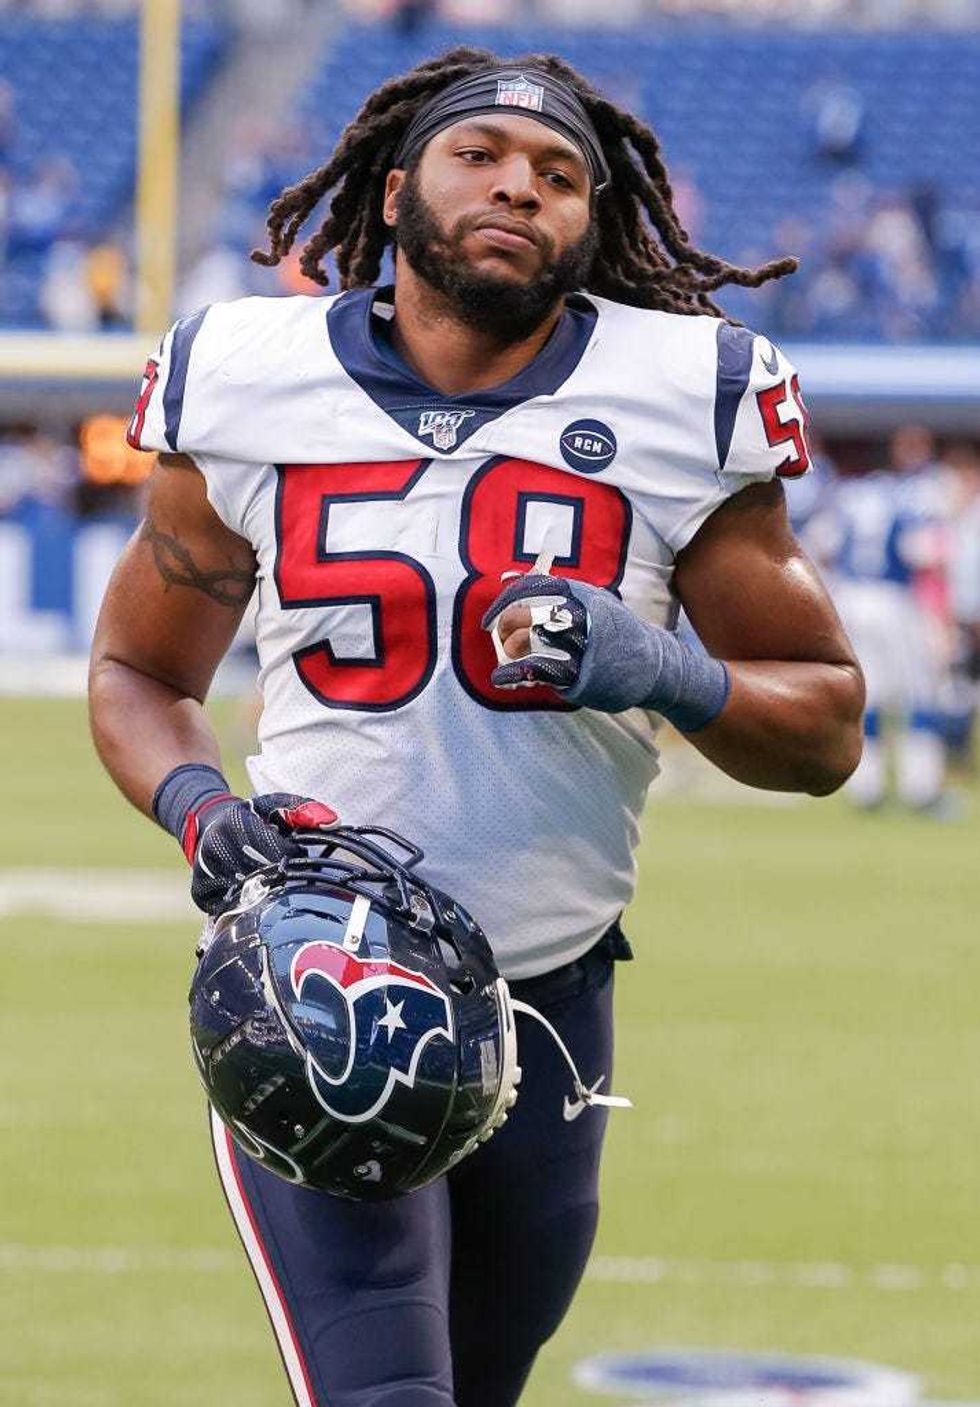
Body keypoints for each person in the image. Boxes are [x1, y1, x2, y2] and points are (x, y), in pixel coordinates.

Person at [89, 48, 864, 1407]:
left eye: (559, 175)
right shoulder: (249, 371)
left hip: (555, 1004)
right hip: (321, 979)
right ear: (394, 193)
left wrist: (661, 669)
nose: (520, 185)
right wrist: (203, 813)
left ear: (594, 219)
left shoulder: (687, 390)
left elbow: (827, 726)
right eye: (481, 157)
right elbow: (137, 672)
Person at [830, 424, 951, 811]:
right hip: (893, 598)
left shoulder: (851, 494)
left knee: (869, 695)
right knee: (917, 693)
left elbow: (824, 544)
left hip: (851, 596)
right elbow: (922, 552)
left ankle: (866, 787)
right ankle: (922, 788)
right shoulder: (914, 494)